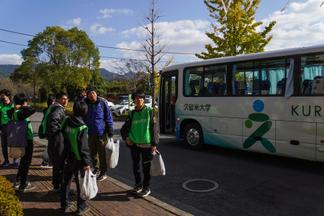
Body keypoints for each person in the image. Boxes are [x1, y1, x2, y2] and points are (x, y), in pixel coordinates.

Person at [124, 90, 158, 197]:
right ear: (133, 100)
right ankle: (138, 185)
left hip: (147, 145)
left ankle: (146, 187)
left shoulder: (149, 111)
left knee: (146, 168)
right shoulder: (132, 113)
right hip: (134, 144)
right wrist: (126, 138)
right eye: (136, 98)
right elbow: (124, 128)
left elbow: (154, 128)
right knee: (136, 167)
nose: (139, 100)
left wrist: (154, 144)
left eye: (141, 98)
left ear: (144, 100)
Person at [60, 101, 92, 215]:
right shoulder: (82, 127)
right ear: (84, 111)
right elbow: (83, 148)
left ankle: (64, 205)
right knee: (80, 184)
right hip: (78, 159)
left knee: (66, 182)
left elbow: (62, 136)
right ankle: (81, 207)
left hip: (67, 156)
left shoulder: (66, 121)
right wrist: (87, 163)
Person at [7, 93, 36, 191]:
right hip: (26, 139)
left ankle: (18, 180)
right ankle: (23, 184)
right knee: (26, 162)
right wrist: (24, 106)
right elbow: (33, 109)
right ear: (23, 102)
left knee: (23, 161)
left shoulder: (12, 111)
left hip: (19, 139)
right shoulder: (20, 113)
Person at [84, 88, 114, 181]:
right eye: (89, 93)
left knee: (102, 153)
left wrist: (110, 129)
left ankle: (103, 172)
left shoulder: (102, 103)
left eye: (93, 93)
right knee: (92, 152)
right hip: (90, 132)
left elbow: (108, 116)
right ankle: (96, 168)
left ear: (96, 94)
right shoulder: (85, 103)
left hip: (101, 132)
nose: (91, 95)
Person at [46, 92, 69, 191]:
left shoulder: (53, 107)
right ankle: (58, 186)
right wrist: (59, 134)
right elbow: (53, 123)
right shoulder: (58, 109)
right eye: (63, 99)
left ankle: (57, 185)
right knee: (59, 163)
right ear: (58, 99)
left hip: (54, 139)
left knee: (57, 163)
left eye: (66, 99)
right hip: (57, 140)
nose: (65, 101)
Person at [0, 89, 18, 168]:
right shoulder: (0, 104)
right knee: (4, 145)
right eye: (1, 95)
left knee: (13, 145)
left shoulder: (13, 105)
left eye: (3, 95)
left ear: (8, 96)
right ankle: (6, 161)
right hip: (3, 126)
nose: (1, 96)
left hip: (12, 126)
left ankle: (15, 161)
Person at [40, 95, 55, 169]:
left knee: (49, 145)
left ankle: (46, 161)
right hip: (50, 130)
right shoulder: (51, 110)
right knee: (50, 146)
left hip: (47, 130)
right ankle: (45, 161)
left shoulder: (46, 110)